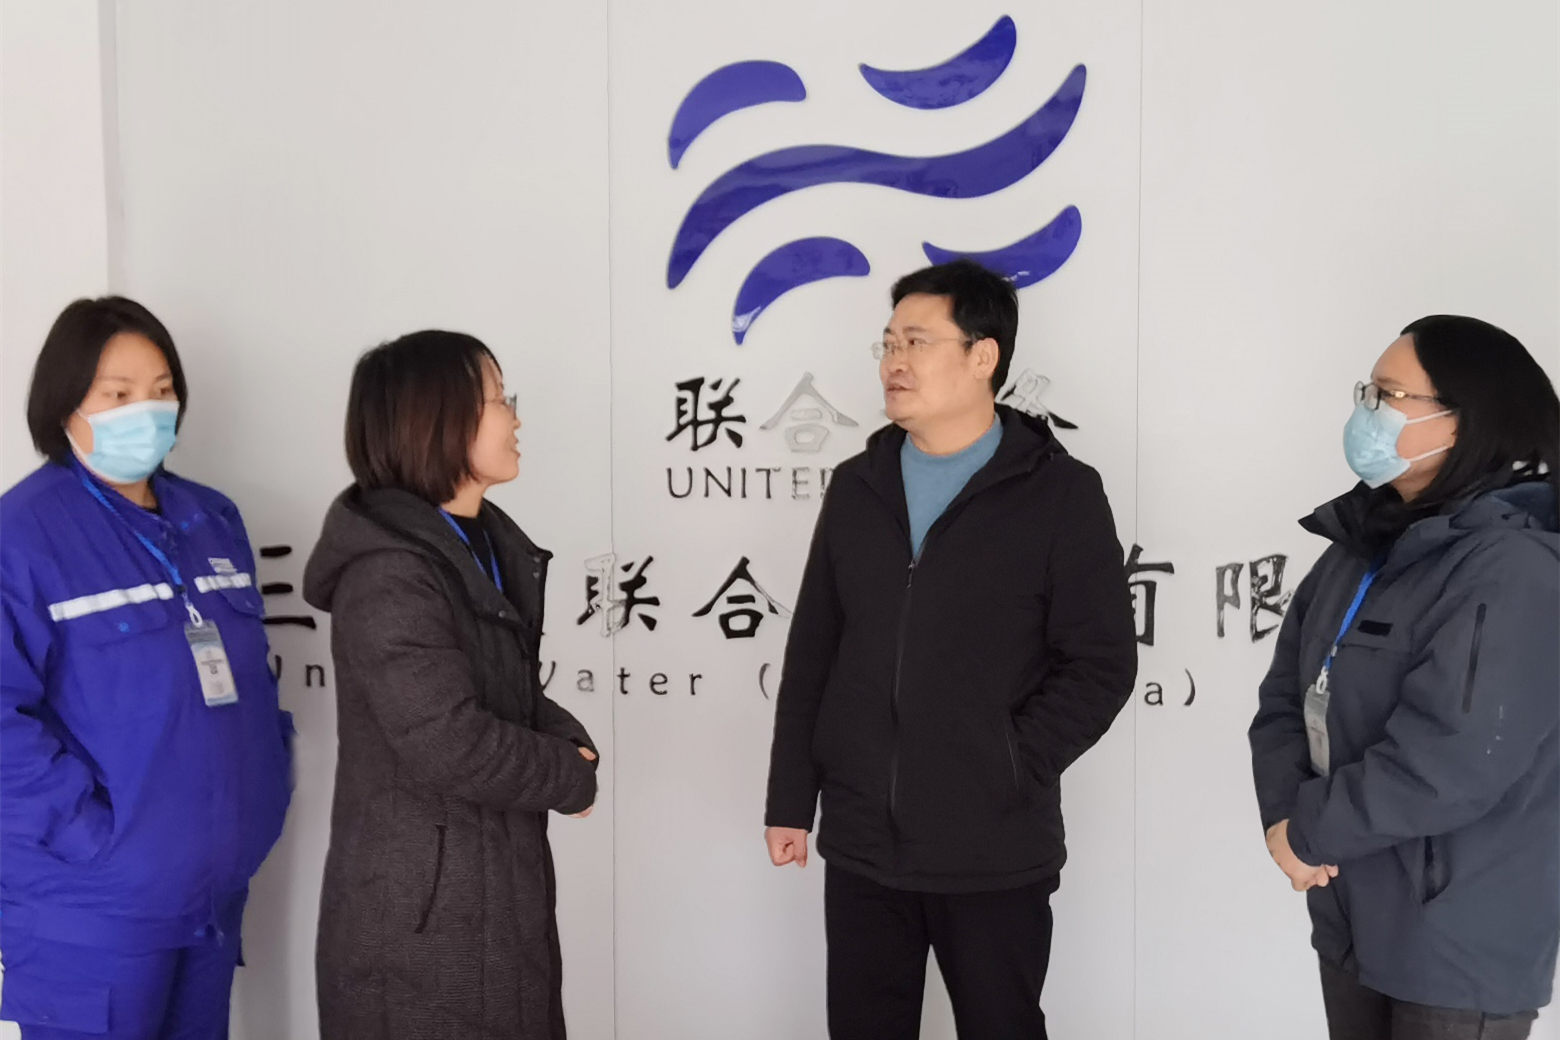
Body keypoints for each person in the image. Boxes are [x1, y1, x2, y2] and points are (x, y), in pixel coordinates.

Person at [763, 259, 1138, 1039]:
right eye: (889, 342)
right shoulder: (858, 485)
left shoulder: (1061, 494)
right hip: (864, 845)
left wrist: (1007, 761)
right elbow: (814, 653)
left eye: (918, 341)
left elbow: (1101, 663)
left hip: (993, 848)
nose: (894, 362)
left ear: (983, 356)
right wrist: (791, 801)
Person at [1250, 316, 1558, 1040]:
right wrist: (1286, 818)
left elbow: (1457, 758)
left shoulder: (1514, 569)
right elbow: (1285, 701)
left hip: (1456, 945)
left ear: (1465, 420)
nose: (1368, 412)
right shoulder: (1360, 546)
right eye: (1368, 392)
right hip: (1349, 914)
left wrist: (1310, 832)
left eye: (1389, 395)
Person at [0, 296, 293, 1039]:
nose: (147, 411)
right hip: (90, 910)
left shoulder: (211, 519)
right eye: (118, 394)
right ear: (65, 404)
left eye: (162, 390)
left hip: (210, 898)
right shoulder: (22, 535)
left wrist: (269, 777)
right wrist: (95, 839)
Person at [304, 330, 598, 1039]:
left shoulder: (474, 542)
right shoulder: (389, 570)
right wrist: (568, 774)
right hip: (419, 926)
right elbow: (448, 739)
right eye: (498, 399)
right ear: (436, 419)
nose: (515, 417)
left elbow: (505, 690)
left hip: (486, 894)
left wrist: (569, 739)